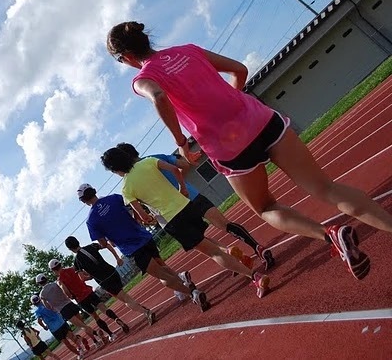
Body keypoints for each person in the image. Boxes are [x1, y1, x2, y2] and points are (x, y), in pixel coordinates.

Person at [106, 21, 391, 279]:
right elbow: (239, 70)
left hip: (230, 148)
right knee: (326, 188)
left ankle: (331, 234)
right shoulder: (188, 50)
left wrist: (181, 142)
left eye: (120, 60)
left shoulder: (143, 77)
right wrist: (235, 97)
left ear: (127, 57)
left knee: (265, 207)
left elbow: (158, 97)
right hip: (262, 120)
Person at [101, 148, 271, 298]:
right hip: (186, 204)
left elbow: (144, 217)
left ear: (114, 170)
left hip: (171, 220)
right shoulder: (149, 162)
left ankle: (254, 276)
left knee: (212, 253)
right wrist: (182, 187)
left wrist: (149, 218)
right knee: (208, 240)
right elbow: (176, 168)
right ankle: (233, 253)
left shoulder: (126, 189)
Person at [73, 183, 211, 312]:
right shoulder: (114, 198)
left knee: (161, 276)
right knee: (161, 265)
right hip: (144, 237)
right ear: (94, 191)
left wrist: (110, 239)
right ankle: (182, 281)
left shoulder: (91, 220)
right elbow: (132, 205)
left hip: (132, 248)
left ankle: (192, 293)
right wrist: (137, 218)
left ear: (83, 201)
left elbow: (103, 243)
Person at [48, 258, 128, 341]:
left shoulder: (60, 280)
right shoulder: (72, 268)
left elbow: (66, 291)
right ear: (60, 264)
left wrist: (70, 296)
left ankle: (111, 334)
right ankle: (116, 319)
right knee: (104, 308)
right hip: (89, 292)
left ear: (53, 270)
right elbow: (85, 273)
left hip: (81, 299)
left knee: (96, 317)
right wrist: (89, 277)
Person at [36, 273, 105, 348]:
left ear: (39, 283)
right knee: (82, 323)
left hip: (63, 310)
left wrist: (54, 308)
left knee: (82, 326)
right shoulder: (55, 284)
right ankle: (95, 340)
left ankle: (97, 335)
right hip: (70, 304)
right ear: (46, 279)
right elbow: (65, 290)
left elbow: (47, 306)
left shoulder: (42, 294)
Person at [31, 294, 88, 360]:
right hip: (61, 322)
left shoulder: (38, 311)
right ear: (39, 299)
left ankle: (79, 354)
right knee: (71, 336)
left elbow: (39, 321)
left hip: (54, 329)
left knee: (67, 343)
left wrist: (44, 327)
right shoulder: (47, 303)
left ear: (34, 303)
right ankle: (80, 342)